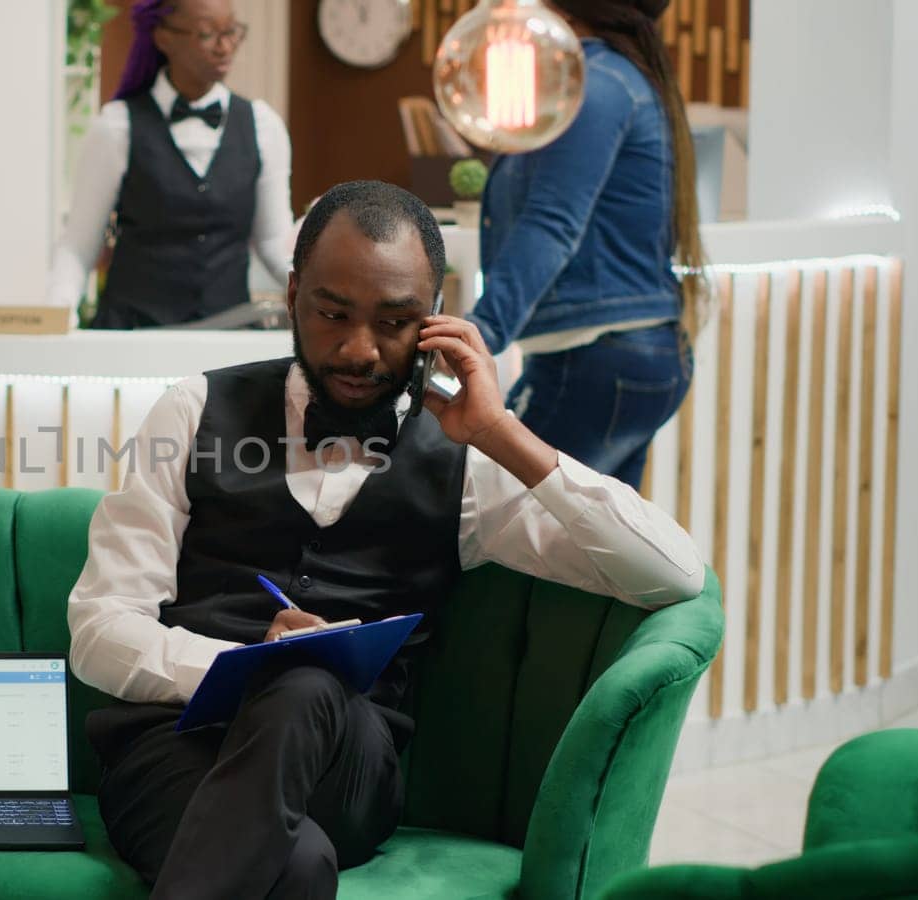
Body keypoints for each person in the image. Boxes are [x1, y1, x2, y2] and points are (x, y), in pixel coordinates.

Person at [66, 180, 706, 899]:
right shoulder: (193, 410)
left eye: (395, 323)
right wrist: (244, 665)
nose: (359, 349)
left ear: (434, 321)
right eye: (332, 314)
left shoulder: (465, 463)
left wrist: (498, 432)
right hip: (172, 752)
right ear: (292, 293)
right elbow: (100, 625)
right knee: (300, 867)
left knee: (307, 684)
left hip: (351, 772)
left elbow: (673, 572)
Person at [465, 0, 706, 489]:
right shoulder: (618, 78)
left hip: (595, 359)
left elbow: (552, 224)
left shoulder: (595, 85)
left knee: (492, 530)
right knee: (585, 559)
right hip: (628, 356)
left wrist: (477, 338)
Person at [47, 0, 294, 329]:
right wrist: (58, 314)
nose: (225, 47)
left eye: (231, 32)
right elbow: (79, 244)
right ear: (163, 37)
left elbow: (272, 242)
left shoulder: (264, 125)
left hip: (229, 336)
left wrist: (315, 291)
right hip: (134, 333)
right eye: (208, 35)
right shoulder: (117, 127)